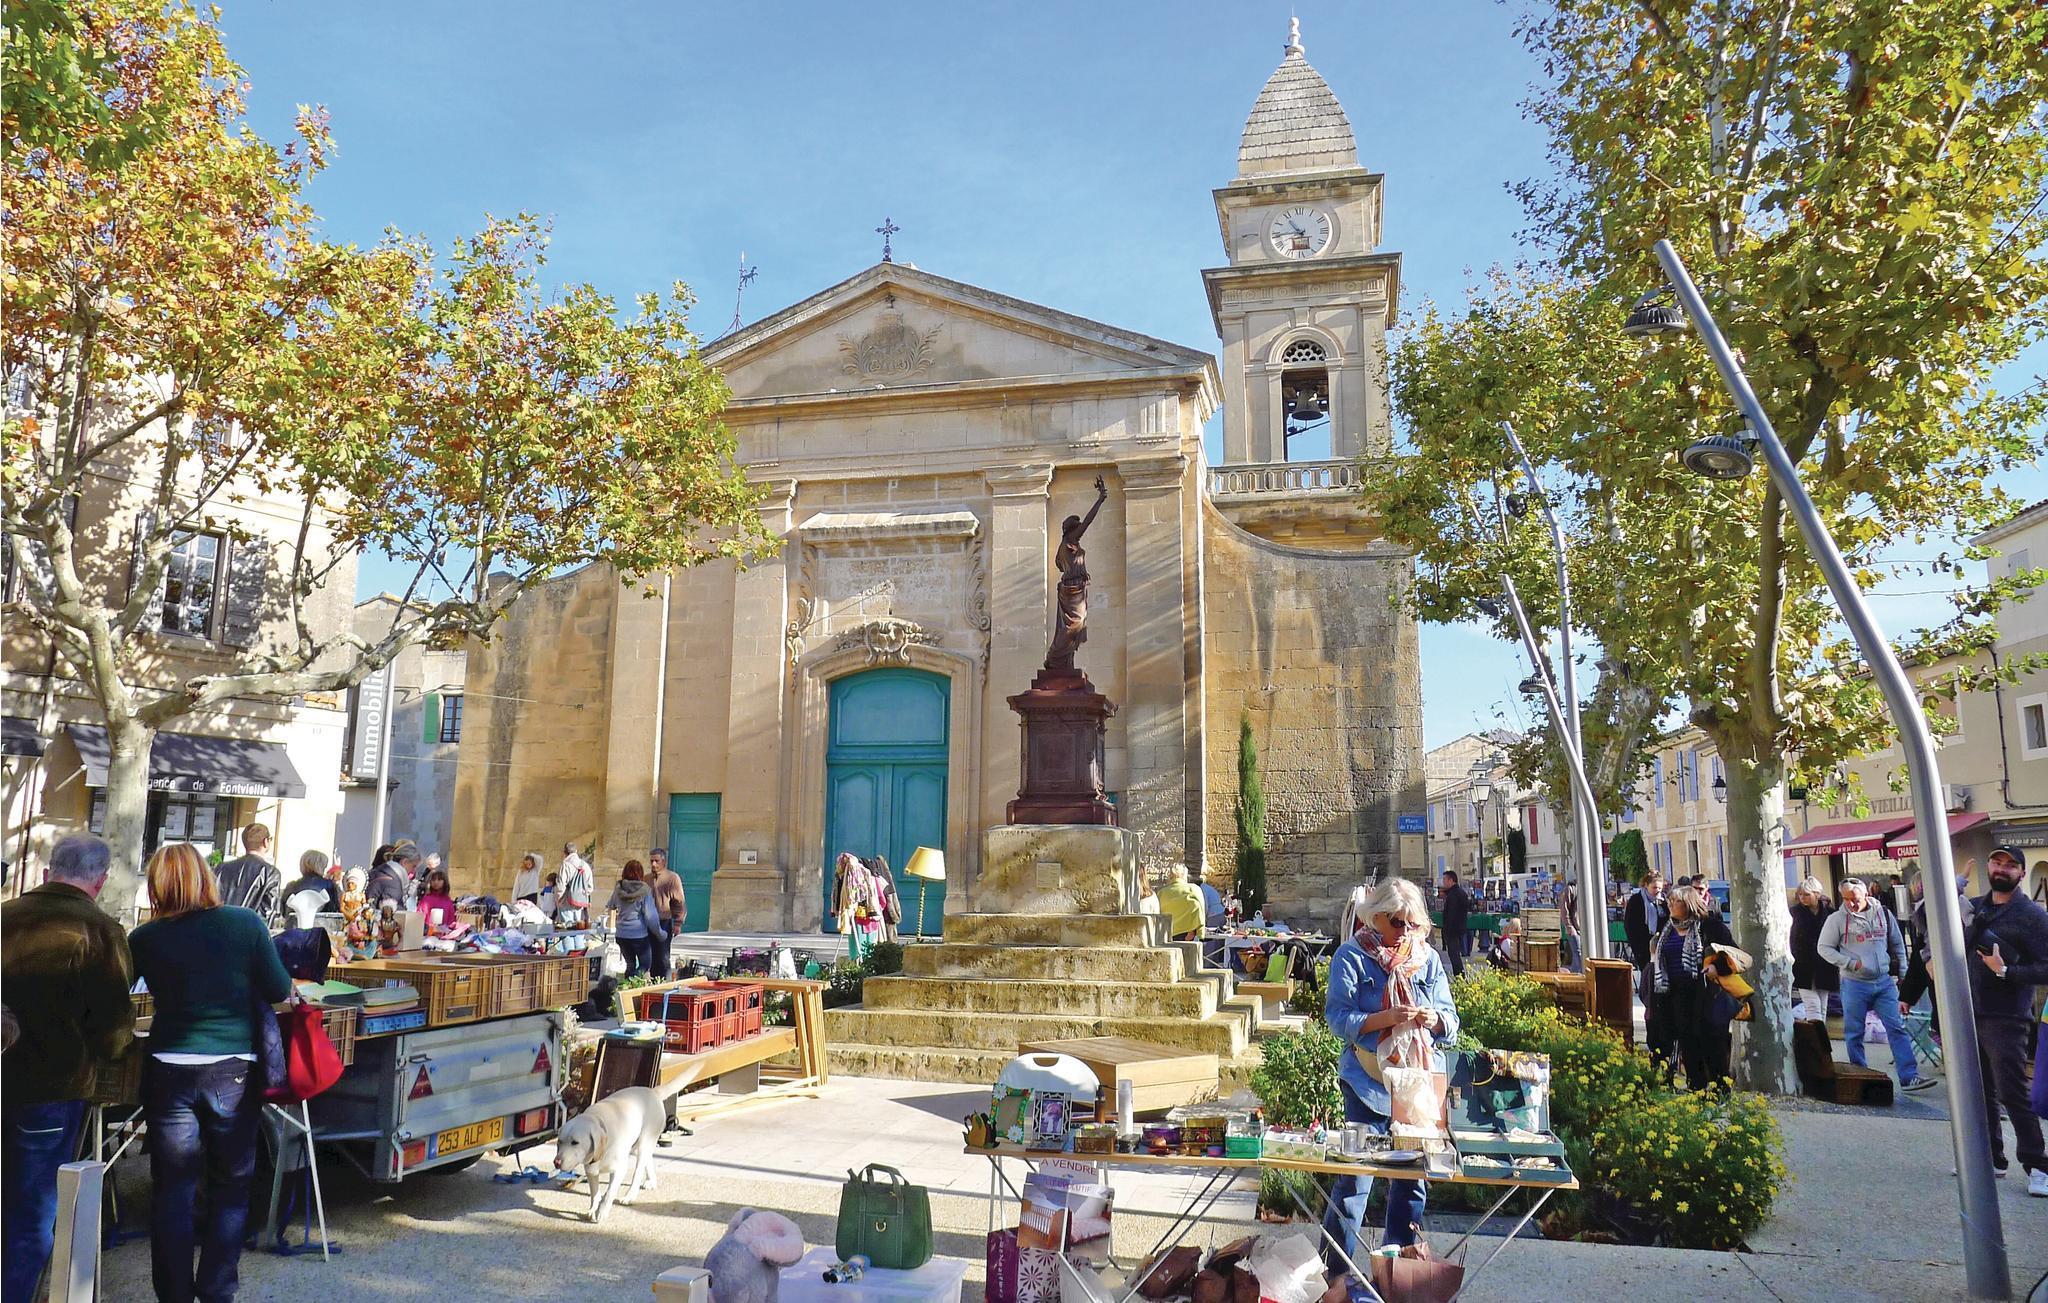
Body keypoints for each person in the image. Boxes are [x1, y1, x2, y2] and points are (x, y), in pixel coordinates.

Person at [129, 842, 294, 1303]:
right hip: (232, 1069)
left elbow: (122, 991)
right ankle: (217, 1289)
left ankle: (174, 1294)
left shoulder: (144, 937)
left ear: (157, 886)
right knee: (230, 1185)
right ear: (207, 877)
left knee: (172, 1190)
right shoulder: (244, 924)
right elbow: (279, 989)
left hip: (168, 1067)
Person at [1, 834, 136, 1303]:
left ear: (48, 870)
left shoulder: (4, 916)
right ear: (100, 881)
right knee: (31, 1215)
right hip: (51, 1088)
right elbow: (114, 1029)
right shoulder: (100, 931)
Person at [1323, 877, 1460, 1262]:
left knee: (1412, 1183)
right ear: (1376, 917)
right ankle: (1335, 1273)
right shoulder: (1351, 956)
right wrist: (1385, 1018)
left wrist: (1433, 1019)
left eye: (1413, 924)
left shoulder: (1427, 959)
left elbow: (1451, 1022)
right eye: (1397, 923)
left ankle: (1398, 1272)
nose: (1405, 932)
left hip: (1418, 1086)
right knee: (1355, 1181)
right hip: (1367, 1082)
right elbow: (1337, 1018)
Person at [1964, 845, 2048, 1194]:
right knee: (1978, 1091)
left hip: (2007, 1016)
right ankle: (1991, 1159)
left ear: (2021, 873)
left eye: (2011, 865)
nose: (2002, 869)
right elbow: (1928, 922)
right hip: (1969, 1009)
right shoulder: (1975, 907)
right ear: (1988, 866)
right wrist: (1955, 888)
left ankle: (2038, 1166)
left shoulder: (2032, 916)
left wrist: (2007, 971)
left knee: (2012, 1092)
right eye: (1997, 862)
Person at [1818, 877, 1934, 1094]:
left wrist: (1903, 974)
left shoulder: (1883, 913)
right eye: (1846, 899)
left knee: (1896, 1027)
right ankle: (1860, 1077)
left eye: (1855, 898)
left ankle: (1909, 1077)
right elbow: (1824, 948)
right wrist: (1850, 963)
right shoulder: (1836, 919)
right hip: (1854, 983)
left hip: (1884, 982)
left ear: (1866, 895)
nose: (1851, 903)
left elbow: (1897, 944)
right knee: (1854, 1032)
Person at [1647, 884, 1739, 1091]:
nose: (1670, 904)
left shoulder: (1710, 927)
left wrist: (1716, 967)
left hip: (1704, 994)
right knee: (1686, 1042)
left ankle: (1719, 1088)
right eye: (1669, 901)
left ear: (1689, 903)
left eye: (1676, 901)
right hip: (1674, 994)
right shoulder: (1668, 927)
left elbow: (1732, 954)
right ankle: (1696, 1086)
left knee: (1711, 1043)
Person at [1789, 876, 1837, 1034]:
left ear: (1817, 894)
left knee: (1822, 1006)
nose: (1802, 898)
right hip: (1803, 964)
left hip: (1825, 964)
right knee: (1813, 1006)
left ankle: (1821, 1040)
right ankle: (1817, 1039)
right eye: (1800, 895)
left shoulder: (1830, 913)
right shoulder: (1795, 913)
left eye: (1806, 894)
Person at [212, 822, 281, 927]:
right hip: (247, 931)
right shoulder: (271, 873)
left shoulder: (221, 868)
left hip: (218, 927)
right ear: (266, 842)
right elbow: (268, 913)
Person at [607, 861, 666, 978]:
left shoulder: (618, 889)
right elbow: (651, 917)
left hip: (621, 935)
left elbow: (611, 905)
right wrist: (660, 933)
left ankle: (628, 984)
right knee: (645, 964)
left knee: (630, 965)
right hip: (638, 935)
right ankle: (633, 982)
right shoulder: (644, 891)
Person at [648, 848, 686, 976]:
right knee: (650, 956)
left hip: (663, 922)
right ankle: (653, 982)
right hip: (648, 923)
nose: (654, 864)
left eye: (656, 861)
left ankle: (665, 981)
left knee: (663, 957)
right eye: (651, 861)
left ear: (664, 862)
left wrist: (678, 923)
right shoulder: (646, 879)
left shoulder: (672, 878)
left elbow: (679, 902)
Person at [285, 849, 342, 916]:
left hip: (296, 922)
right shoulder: (330, 886)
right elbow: (335, 911)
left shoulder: (292, 886)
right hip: (323, 922)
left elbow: (285, 912)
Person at [1156, 865, 1206, 943]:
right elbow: (1200, 910)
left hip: (1166, 933)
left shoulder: (1162, 892)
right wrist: (1198, 932)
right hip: (1188, 933)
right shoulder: (1193, 889)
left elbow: (1157, 913)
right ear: (1185, 875)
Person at [366, 841, 417, 911]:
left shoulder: (377, 873)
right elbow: (391, 911)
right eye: (413, 866)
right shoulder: (392, 881)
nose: (413, 871)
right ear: (404, 862)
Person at [1438, 869, 1470, 977]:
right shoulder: (1458, 893)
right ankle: (1459, 975)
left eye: (1445, 880)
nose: (1443, 882)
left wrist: (1448, 929)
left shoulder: (1454, 895)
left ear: (1451, 880)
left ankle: (1459, 976)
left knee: (1454, 955)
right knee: (1454, 954)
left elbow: (1452, 914)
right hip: (1458, 928)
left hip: (1453, 930)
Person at [557, 841, 594, 927]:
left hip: (566, 901)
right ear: (576, 851)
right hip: (580, 902)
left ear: (565, 852)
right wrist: (581, 894)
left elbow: (561, 885)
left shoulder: (565, 865)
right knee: (579, 927)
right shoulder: (585, 865)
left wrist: (559, 899)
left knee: (567, 929)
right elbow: (590, 887)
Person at [416, 867, 459, 936]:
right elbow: (419, 918)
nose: (436, 882)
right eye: (433, 879)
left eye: (439, 879)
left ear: (444, 882)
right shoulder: (425, 900)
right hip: (427, 934)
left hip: (444, 935)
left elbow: (451, 921)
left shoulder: (447, 901)